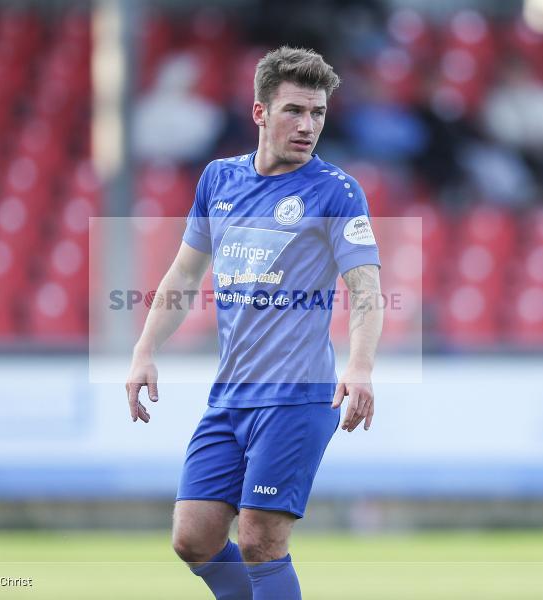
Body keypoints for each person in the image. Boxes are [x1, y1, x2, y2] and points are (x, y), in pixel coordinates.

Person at [126, 46, 384, 599]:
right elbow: (182, 274)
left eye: (317, 113)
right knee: (192, 538)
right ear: (260, 112)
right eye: (295, 110)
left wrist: (360, 368)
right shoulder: (219, 181)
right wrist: (144, 349)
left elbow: (366, 289)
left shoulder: (335, 191)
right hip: (230, 396)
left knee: (261, 539)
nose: (308, 125)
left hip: (298, 396)